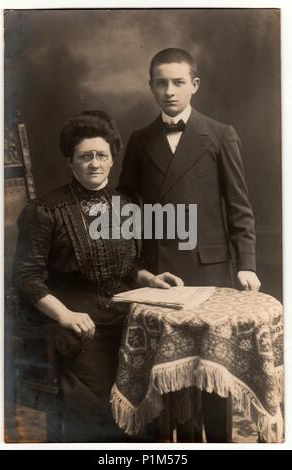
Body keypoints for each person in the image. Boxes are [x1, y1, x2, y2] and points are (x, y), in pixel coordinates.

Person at [118, 48, 261, 442]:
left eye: (178, 82)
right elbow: (125, 209)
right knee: (169, 373)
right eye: (161, 83)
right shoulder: (140, 139)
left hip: (210, 269)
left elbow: (240, 208)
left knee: (212, 371)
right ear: (151, 87)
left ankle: (217, 442)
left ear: (194, 85)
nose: (170, 91)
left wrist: (246, 264)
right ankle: (172, 444)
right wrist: (136, 267)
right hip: (160, 273)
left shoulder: (219, 134)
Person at [15, 110, 183, 443]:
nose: (94, 163)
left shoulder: (124, 204)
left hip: (125, 317)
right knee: (98, 415)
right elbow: (26, 277)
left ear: (112, 160)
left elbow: (130, 264)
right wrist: (65, 314)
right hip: (79, 324)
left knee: (151, 402)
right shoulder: (45, 211)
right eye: (85, 156)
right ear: (71, 162)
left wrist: (150, 279)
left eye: (101, 156)